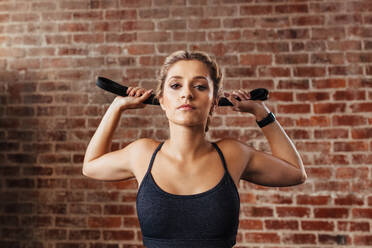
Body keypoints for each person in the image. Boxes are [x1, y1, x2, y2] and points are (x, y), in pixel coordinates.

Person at [82, 50, 307, 248]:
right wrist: (117, 107)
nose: (187, 94)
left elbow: (295, 173)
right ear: (161, 99)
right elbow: (90, 166)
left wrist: (262, 113)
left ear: (214, 100)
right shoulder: (142, 154)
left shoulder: (232, 154)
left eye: (200, 86)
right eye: (175, 85)